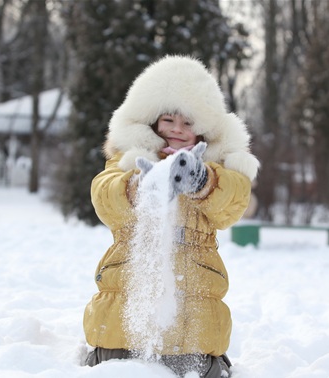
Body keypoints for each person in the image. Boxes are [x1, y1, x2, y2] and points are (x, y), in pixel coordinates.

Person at [83, 55, 260, 377]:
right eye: (167, 120)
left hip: (196, 314)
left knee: (193, 366)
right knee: (119, 366)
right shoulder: (127, 162)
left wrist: (200, 179)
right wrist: (144, 184)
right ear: (151, 122)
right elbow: (105, 197)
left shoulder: (219, 169)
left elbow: (233, 201)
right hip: (123, 308)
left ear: (204, 129)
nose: (177, 129)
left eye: (189, 123)